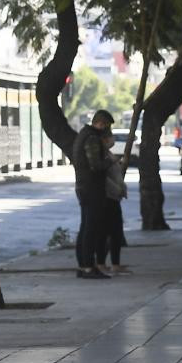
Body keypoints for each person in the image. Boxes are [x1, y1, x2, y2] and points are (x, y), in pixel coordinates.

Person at [72, 110, 114, 279]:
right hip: (92, 188)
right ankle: (88, 266)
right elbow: (96, 165)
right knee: (91, 228)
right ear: (101, 123)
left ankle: (84, 265)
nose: (107, 130)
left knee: (86, 226)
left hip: (84, 187)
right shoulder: (91, 138)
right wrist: (111, 160)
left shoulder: (84, 135)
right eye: (107, 126)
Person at [98, 133, 130, 275]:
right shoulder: (102, 156)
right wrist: (117, 189)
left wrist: (122, 188)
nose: (113, 140)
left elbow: (117, 175)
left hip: (115, 198)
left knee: (117, 231)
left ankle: (115, 263)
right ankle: (101, 262)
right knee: (106, 232)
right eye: (109, 137)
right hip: (108, 198)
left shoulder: (109, 154)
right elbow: (104, 178)